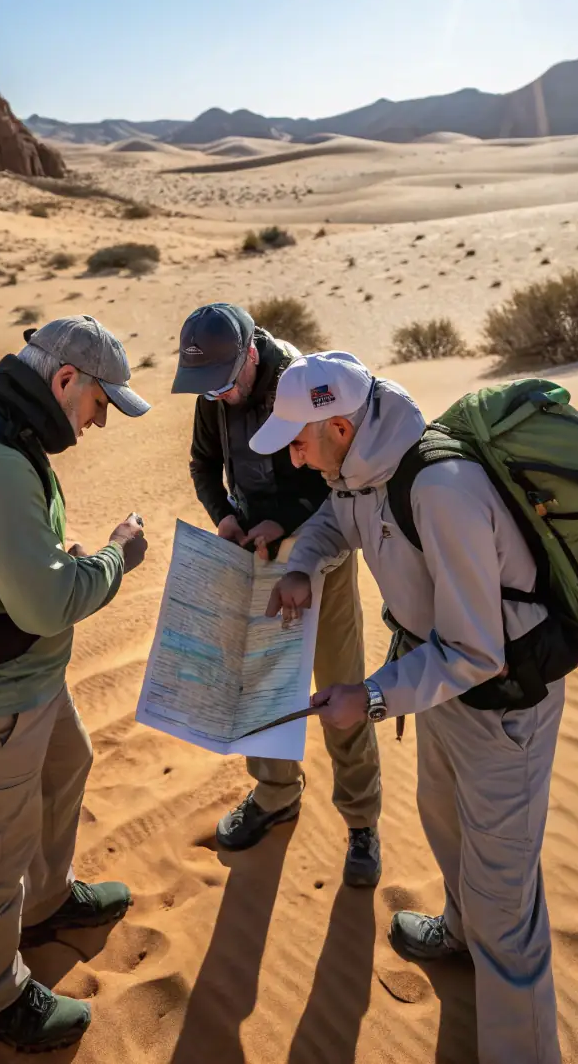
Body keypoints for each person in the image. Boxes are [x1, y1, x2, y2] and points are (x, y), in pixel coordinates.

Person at [251, 350, 564, 1064]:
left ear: (336, 425)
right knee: (444, 823)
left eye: (299, 440)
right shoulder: (357, 470)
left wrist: (371, 696)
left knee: (505, 906)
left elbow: (479, 650)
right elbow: (336, 522)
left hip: (503, 706)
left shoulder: (441, 488)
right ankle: (458, 933)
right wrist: (302, 566)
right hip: (440, 687)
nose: (295, 459)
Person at [0, 317, 151, 1053]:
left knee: (69, 764)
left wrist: (61, 560)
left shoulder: (6, 433)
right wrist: (116, 556)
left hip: (27, 682)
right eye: (99, 403)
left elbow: (22, 571)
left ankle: (48, 901)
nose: (99, 420)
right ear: (63, 382)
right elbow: (47, 602)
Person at [171, 304, 382, 886]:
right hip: (254, 559)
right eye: (208, 390)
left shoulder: (302, 385)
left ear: (252, 357)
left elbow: (332, 482)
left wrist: (285, 526)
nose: (219, 397)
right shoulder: (213, 394)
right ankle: (274, 793)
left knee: (340, 685)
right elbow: (202, 462)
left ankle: (362, 819)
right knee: (258, 684)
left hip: (322, 557)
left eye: (226, 385)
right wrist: (226, 519)